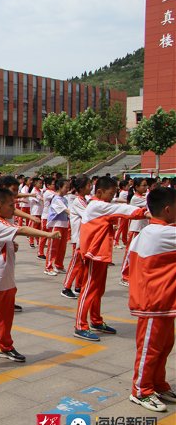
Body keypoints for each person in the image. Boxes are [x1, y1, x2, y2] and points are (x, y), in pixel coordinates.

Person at [0, 188, 61, 376]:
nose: (14, 209)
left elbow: (8, 240)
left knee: (6, 319)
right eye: (11, 205)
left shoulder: (3, 221)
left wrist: (11, 246)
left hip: (7, 280)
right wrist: (48, 235)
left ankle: (5, 347)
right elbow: (22, 230)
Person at [75, 176, 149, 342]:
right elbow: (122, 210)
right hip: (92, 254)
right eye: (111, 193)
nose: (112, 196)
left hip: (100, 253)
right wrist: (144, 212)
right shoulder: (97, 205)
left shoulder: (100, 205)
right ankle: (80, 325)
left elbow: (119, 208)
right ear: (100, 192)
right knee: (89, 289)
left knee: (98, 290)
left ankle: (96, 320)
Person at [127, 187, 176, 412]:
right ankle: (141, 390)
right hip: (153, 302)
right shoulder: (161, 233)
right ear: (167, 210)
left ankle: (157, 383)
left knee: (165, 345)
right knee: (150, 348)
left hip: (164, 300)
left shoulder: (158, 230)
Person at [61, 176, 91, 299]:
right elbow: (88, 215)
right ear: (82, 188)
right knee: (76, 263)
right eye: (89, 185)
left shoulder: (84, 200)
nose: (91, 187)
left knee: (83, 263)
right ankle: (66, 287)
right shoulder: (78, 201)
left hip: (84, 236)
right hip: (78, 237)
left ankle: (78, 286)